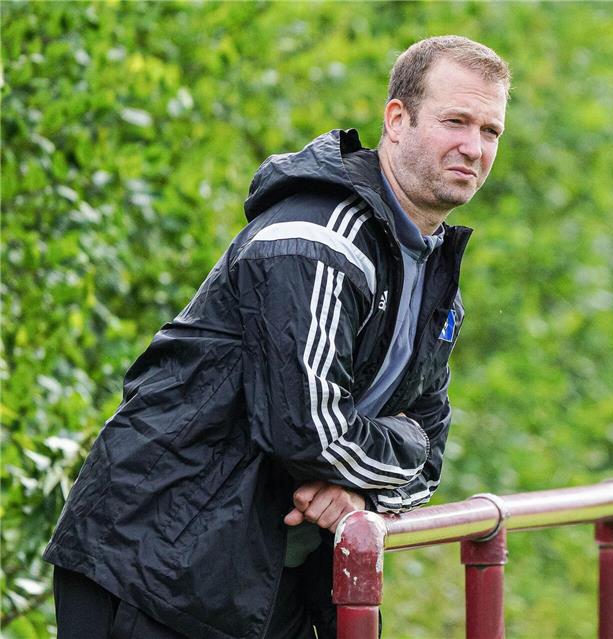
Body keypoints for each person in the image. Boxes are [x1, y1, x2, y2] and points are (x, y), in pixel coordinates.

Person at [43, 35, 510, 639]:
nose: (473, 147)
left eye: (490, 131)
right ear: (397, 120)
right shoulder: (317, 236)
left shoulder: (430, 264)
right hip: (154, 560)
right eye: (455, 121)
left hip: (260, 579)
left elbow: (431, 444)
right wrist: (402, 452)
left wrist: (362, 499)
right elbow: (307, 431)